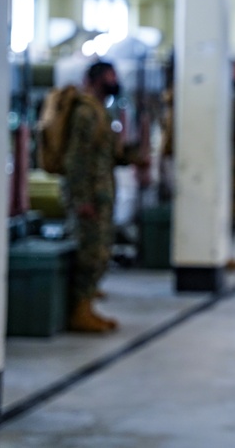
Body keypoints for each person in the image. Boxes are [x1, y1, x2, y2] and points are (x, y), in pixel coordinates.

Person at [64, 61, 146, 332]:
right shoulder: (86, 112)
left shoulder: (100, 111)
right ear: (97, 79)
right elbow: (76, 160)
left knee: (100, 251)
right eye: (110, 76)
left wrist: (134, 156)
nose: (115, 81)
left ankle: (86, 305)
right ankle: (79, 311)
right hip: (90, 196)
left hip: (102, 193)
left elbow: (106, 154)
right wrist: (81, 198)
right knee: (90, 253)